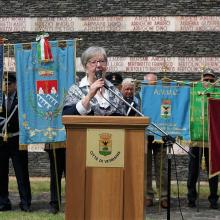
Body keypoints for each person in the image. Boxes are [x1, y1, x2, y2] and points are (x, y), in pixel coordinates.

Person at [187, 68, 219, 209]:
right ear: (201, 79)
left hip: (213, 137)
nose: (208, 82)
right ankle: (191, 198)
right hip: (196, 136)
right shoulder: (193, 90)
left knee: (213, 171)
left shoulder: (218, 92)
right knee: (193, 171)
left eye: (211, 80)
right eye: (206, 79)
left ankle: (213, 199)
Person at [62, 46, 126, 116]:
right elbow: (67, 115)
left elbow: (123, 116)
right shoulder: (76, 90)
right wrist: (89, 95)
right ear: (85, 67)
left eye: (102, 61)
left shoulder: (114, 90)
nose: (99, 65)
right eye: (93, 62)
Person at [0, 73, 31, 212]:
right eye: (4, 84)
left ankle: (25, 202)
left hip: (18, 139)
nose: (6, 86)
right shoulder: (0, 99)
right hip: (1, 141)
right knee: (1, 173)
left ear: (15, 85)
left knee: (21, 173)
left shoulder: (22, 99)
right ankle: (3, 202)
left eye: (9, 84)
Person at [143, 73, 168, 209]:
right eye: (149, 84)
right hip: (145, 136)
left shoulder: (163, 96)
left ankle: (164, 196)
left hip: (159, 135)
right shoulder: (140, 97)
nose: (151, 87)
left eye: (154, 84)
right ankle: (148, 195)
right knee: (146, 168)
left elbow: (167, 113)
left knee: (161, 168)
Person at [45, 143, 65, 214]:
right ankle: (55, 203)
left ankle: (72, 203)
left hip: (73, 143)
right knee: (55, 176)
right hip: (55, 144)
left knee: (72, 178)